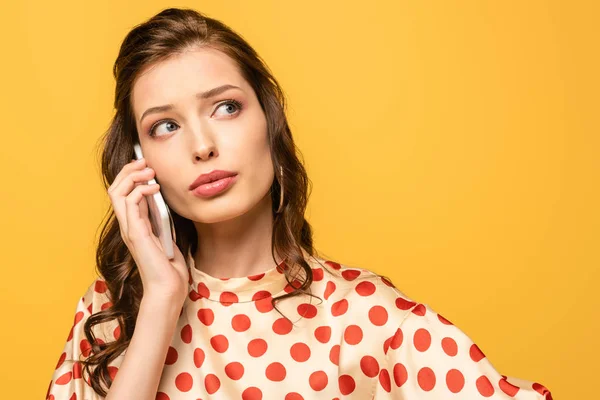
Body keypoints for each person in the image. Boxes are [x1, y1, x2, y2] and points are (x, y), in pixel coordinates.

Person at [45, 7, 552, 400]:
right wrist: (160, 301)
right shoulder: (108, 315)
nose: (201, 146)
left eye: (225, 107)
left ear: (268, 121)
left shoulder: (367, 318)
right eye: (165, 126)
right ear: (139, 159)